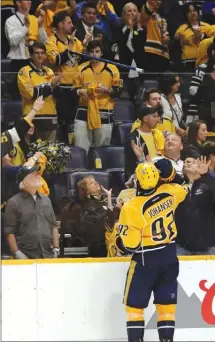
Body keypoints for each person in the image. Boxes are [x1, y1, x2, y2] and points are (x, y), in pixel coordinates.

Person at [115, 160, 188, 342]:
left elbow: (129, 245)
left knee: (134, 308)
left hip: (146, 260)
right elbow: (180, 184)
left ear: (137, 181)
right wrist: (168, 173)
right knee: (166, 307)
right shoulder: (170, 193)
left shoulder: (131, 207)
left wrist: (117, 240)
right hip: (170, 257)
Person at [73, 39, 123, 151]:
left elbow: (119, 90)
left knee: (102, 149)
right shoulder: (81, 68)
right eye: (91, 52)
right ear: (87, 53)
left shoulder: (112, 68)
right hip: (84, 112)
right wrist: (79, 91)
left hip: (104, 112)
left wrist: (107, 90)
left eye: (97, 51)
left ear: (102, 53)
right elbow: (73, 90)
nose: (94, 54)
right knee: (80, 148)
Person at [4, 162, 59, 259]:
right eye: (34, 175)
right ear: (25, 182)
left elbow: (54, 225)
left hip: (48, 254)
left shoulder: (46, 200)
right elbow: (9, 232)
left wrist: (56, 247)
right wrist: (17, 253)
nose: (38, 176)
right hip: (26, 256)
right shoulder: (13, 202)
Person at [46, 10, 83, 143]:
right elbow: (56, 60)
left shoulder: (75, 41)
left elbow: (82, 58)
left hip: (75, 87)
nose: (71, 25)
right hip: (60, 89)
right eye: (69, 22)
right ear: (61, 25)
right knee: (62, 123)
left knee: (73, 122)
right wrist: (70, 48)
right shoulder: (51, 41)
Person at [61, 175, 114, 257]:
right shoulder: (83, 207)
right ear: (86, 191)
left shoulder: (104, 201)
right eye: (91, 183)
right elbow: (101, 223)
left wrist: (109, 197)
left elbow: (111, 221)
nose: (96, 183)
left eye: (95, 181)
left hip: (110, 244)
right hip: (95, 249)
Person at [17, 42, 61, 141]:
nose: (40, 55)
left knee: (50, 153)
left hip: (50, 117)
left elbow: (56, 95)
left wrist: (57, 87)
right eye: (37, 53)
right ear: (31, 55)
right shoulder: (24, 72)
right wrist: (51, 86)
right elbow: (31, 94)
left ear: (45, 55)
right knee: (30, 153)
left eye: (42, 53)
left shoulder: (50, 72)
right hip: (31, 119)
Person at [5, 0, 47, 98]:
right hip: (17, 63)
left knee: (34, 95)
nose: (30, 1)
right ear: (18, 3)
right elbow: (13, 41)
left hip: (33, 62)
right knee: (18, 97)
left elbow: (44, 41)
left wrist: (40, 26)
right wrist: (26, 27)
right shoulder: (11, 21)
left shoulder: (34, 19)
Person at [115, 2, 146, 103]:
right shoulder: (120, 29)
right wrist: (129, 28)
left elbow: (139, 45)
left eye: (134, 10)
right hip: (125, 67)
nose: (132, 13)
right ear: (124, 14)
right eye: (129, 11)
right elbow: (122, 46)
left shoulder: (141, 29)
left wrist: (134, 28)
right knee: (125, 97)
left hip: (139, 66)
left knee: (139, 97)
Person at [125, 106, 164, 180]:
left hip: (160, 173)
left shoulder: (158, 134)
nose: (158, 120)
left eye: (158, 116)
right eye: (154, 117)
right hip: (144, 176)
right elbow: (130, 165)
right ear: (145, 119)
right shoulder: (133, 138)